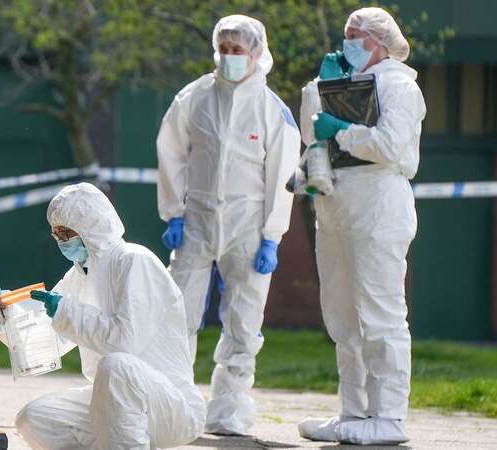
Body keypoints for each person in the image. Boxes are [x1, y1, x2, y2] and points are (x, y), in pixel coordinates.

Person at [0, 183, 205, 450]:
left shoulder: (133, 261)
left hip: (169, 405)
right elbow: (41, 347)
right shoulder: (78, 276)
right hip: (114, 399)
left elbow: (126, 341)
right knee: (34, 418)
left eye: (66, 231)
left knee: (116, 366)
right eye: (56, 233)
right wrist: (3, 312)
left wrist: (66, 311)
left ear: (91, 225)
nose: (61, 240)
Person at [156, 14, 300, 436]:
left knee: (243, 320)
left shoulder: (272, 110)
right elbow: (170, 151)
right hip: (197, 218)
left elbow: (283, 177)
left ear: (257, 53)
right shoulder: (195, 96)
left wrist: (272, 235)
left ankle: (229, 411)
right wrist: (174, 212)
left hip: (248, 223)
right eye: (224, 49)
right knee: (176, 311)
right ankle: (173, 405)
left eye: (238, 50)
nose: (229, 57)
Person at [297, 7, 426, 446]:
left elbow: (390, 145)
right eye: (346, 35)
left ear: (380, 42)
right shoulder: (345, 83)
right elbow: (311, 134)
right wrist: (322, 88)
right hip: (336, 209)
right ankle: (354, 412)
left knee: (381, 315)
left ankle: (388, 419)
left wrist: (343, 130)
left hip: (377, 210)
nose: (347, 42)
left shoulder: (398, 86)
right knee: (342, 317)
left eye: (357, 36)